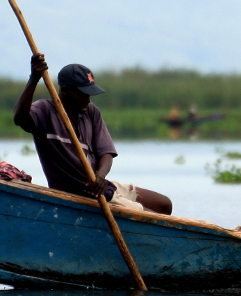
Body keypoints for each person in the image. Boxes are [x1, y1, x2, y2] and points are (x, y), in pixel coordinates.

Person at [13, 53, 173, 215]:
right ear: (65, 90)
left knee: (164, 204)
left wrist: (100, 176)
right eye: (83, 94)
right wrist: (34, 78)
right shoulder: (45, 110)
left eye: (89, 94)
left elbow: (106, 153)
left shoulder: (91, 112)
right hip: (81, 194)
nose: (88, 99)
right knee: (152, 217)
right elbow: (20, 119)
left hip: (100, 187)